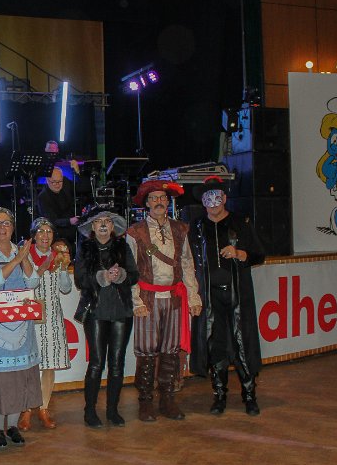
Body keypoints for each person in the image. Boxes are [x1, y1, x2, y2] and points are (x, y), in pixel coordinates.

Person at [188, 177, 266, 416]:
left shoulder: (240, 223)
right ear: (203, 201)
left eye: (217, 196)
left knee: (243, 343)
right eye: (208, 198)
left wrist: (240, 253)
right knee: (216, 345)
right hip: (210, 297)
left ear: (224, 198)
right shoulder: (197, 227)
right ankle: (219, 395)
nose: (213, 202)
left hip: (238, 295)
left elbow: (259, 255)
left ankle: (249, 396)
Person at [126, 180, 202, 422]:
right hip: (147, 299)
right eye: (153, 198)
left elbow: (187, 264)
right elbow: (131, 269)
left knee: (170, 350)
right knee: (147, 351)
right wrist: (136, 300)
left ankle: (168, 399)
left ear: (167, 202)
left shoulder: (180, 229)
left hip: (174, 298)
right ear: (147, 203)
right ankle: (145, 401)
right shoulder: (135, 232)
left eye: (162, 198)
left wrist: (193, 296)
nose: (158, 202)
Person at [0, 207, 41, 448]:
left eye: (6, 223)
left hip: (21, 320)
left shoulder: (19, 250)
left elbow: (33, 281)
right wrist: (17, 260)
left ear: (13, 227)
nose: (2, 227)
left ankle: (12, 426)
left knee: (18, 375)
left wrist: (24, 260)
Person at [73, 208, 138, 427]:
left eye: (107, 221)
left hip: (121, 311)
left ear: (113, 226)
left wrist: (120, 275)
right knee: (97, 363)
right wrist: (102, 277)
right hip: (96, 311)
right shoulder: (85, 248)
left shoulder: (123, 247)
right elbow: (80, 280)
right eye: (98, 221)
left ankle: (112, 410)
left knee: (117, 363)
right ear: (92, 226)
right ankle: (90, 411)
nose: (102, 225)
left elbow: (134, 275)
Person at [17, 218, 73, 431]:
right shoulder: (25, 255)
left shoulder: (58, 254)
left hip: (51, 315)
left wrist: (64, 268)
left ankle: (43, 408)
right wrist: (47, 261)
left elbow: (66, 289)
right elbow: (26, 283)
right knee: (28, 365)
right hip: (30, 314)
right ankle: (26, 409)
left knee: (49, 365)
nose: (45, 235)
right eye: (40, 231)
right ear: (33, 235)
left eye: (49, 231)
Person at [36, 166, 80, 258]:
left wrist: (77, 172)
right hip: (57, 232)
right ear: (47, 180)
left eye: (60, 181)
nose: (57, 184)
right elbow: (51, 221)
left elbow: (81, 188)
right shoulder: (43, 197)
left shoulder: (65, 183)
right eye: (54, 182)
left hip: (74, 227)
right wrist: (69, 221)